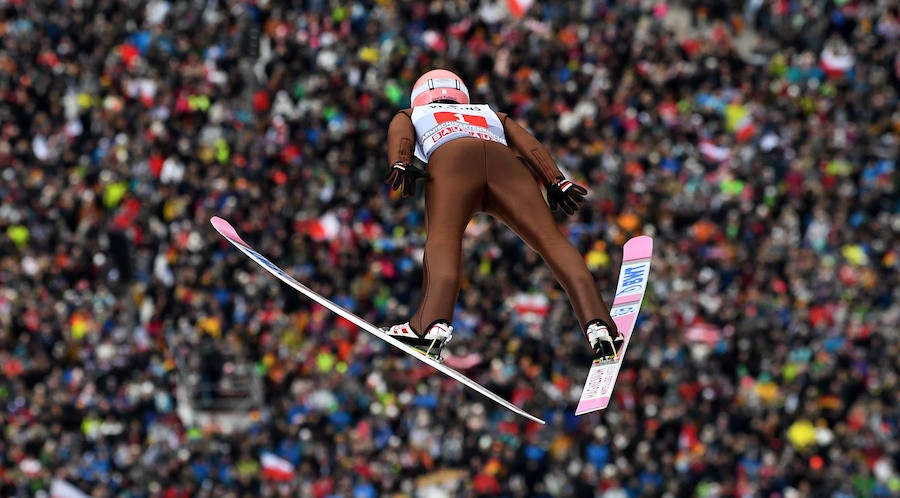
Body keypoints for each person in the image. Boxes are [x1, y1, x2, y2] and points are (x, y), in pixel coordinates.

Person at [382, 69, 620, 360]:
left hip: (451, 160)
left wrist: (400, 161)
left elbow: (400, 133)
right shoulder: (489, 113)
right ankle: (599, 323)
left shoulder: (411, 113)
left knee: (444, 239)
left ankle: (431, 324)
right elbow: (529, 144)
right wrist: (555, 179)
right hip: (506, 165)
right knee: (551, 241)